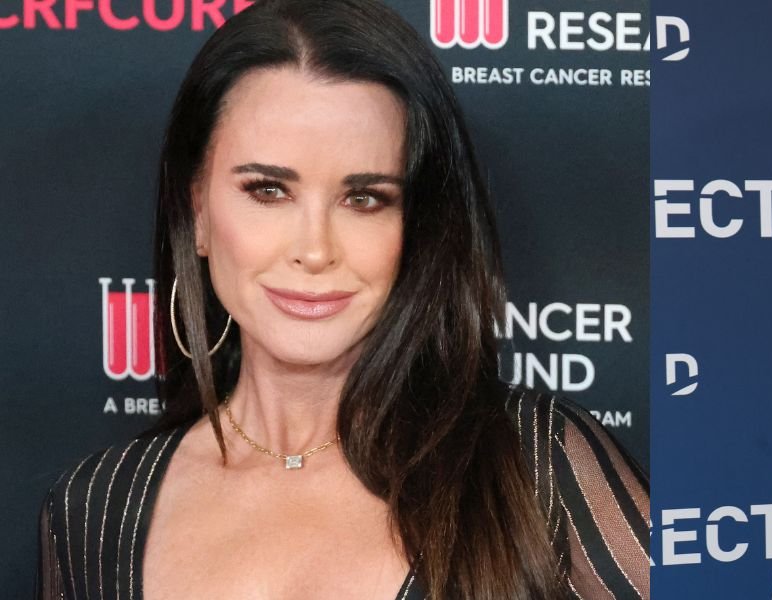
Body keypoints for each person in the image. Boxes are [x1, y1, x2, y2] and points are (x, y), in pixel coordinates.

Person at [36, 1, 649, 598]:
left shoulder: (535, 466)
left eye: (364, 199)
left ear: (415, 226)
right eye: (268, 190)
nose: (315, 250)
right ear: (197, 210)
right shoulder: (93, 512)